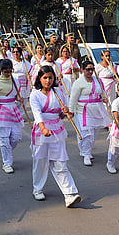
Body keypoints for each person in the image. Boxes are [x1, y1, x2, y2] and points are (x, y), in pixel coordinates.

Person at [29, 65, 82, 206]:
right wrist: (43, 128)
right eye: (45, 78)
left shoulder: (59, 93)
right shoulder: (35, 94)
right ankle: (37, 189)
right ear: (40, 79)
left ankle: (69, 193)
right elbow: (37, 114)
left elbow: (62, 114)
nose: (48, 81)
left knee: (60, 162)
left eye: (50, 77)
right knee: (40, 161)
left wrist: (65, 112)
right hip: (42, 131)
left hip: (57, 130)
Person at [69, 60, 112, 166]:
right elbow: (73, 99)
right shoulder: (78, 83)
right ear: (83, 70)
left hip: (96, 110)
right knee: (86, 133)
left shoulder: (98, 80)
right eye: (87, 69)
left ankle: (86, 150)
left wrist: (104, 99)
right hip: (83, 111)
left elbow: (102, 93)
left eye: (92, 69)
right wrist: (71, 111)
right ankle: (86, 154)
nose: (90, 71)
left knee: (94, 133)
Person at [0, 59, 24, 174]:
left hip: (13, 111)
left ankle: (7, 151)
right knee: (4, 139)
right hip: (2, 112)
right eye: (5, 71)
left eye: (10, 71)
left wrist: (19, 100)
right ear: (0, 70)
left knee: (16, 137)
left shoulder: (16, 81)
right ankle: (7, 163)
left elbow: (17, 97)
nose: (8, 73)